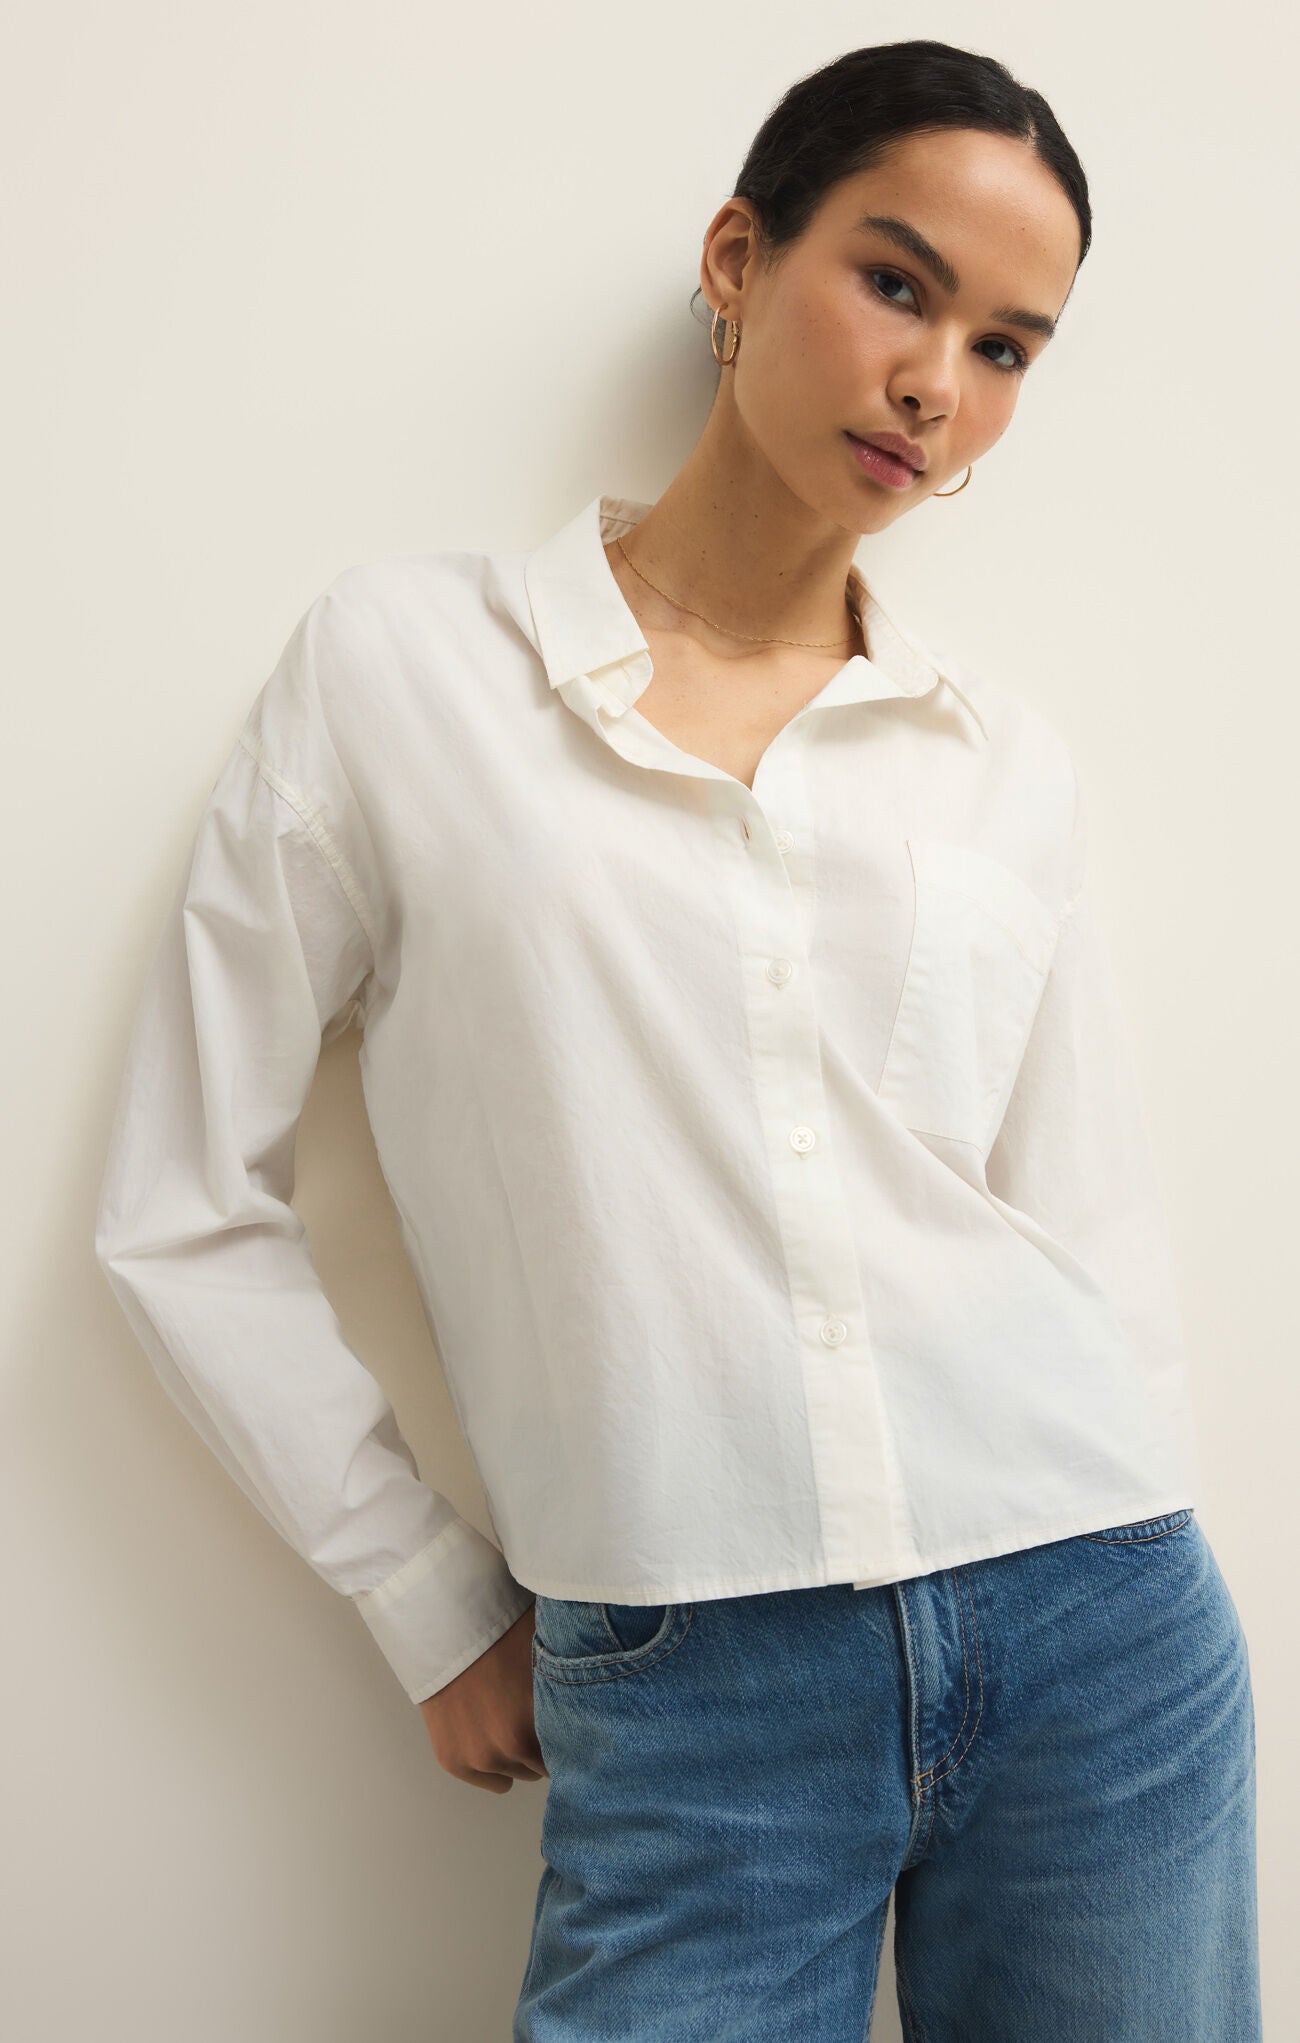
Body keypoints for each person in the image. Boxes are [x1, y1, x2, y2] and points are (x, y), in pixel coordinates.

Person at [93, 36, 1261, 2042]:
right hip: (691, 1682)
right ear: (737, 256)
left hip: (1099, 1623)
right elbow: (179, 1197)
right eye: (893, 283)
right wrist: (422, 1591)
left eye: (1004, 346)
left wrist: (1155, 1510)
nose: (933, 383)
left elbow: (1083, 1224)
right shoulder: (403, 669)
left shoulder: (998, 761)